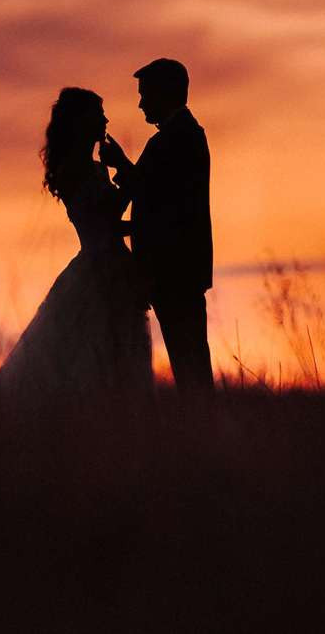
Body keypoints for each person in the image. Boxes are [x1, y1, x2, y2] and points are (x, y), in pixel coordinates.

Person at [0, 87, 151, 417]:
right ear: (82, 121)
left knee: (119, 353)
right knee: (89, 355)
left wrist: (140, 223)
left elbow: (110, 223)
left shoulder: (94, 168)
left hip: (114, 266)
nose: (105, 120)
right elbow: (106, 215)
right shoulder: (74, 170)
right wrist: (126, 174)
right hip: (99, 273)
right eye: (98, 114)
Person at [100, 58, 214, 403]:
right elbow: (158, 195)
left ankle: (204, 431)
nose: (140, 103)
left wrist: (120, 164)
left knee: (189, 361)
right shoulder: (181, 137)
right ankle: (204, 428)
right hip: (176, 271)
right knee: (189, 360)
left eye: (145, 94)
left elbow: (157, 197)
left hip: (174, 271)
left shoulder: (176, 139)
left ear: (164, 93)